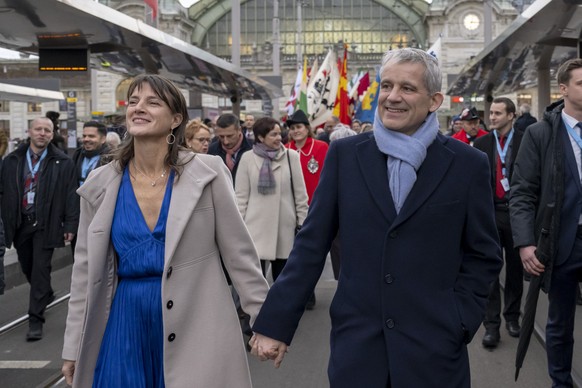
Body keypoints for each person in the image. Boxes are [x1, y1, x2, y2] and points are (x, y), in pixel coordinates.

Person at [250, 48, 502, 387]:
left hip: (434, 351)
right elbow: (311, 245)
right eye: (387, 86)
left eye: (407, 88)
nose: (392, 97)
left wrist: (459, 320)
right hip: (358, 350)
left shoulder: (467, 164)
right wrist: (275, 323)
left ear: (434, 100)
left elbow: (483, 254)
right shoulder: (346, 156)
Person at [61, 74, 268, 387]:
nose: (138, 108)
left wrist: (265, 323)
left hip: (195, 322)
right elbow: (84, 273)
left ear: (176, 119)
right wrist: (73, 346)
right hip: (125, 325)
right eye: (133, 102)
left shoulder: (207, 173)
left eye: (152, 102)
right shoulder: (100, 184)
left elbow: (240, 256)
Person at [509, 58, 582, 387]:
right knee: (559, 323)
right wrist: (526, 243)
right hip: (562, 242)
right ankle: (561, 382)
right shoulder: (540, 134)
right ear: (563, 89)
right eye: (581, 83)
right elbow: (522, 192)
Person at [0, 117, 78, 341]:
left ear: (52, 134)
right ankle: (45, 292)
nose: (42, 133)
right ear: (29, 132)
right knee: (28, 266)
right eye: (38, 129)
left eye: (47, 130)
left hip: (47, 223)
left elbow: (71, 195)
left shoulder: (63, 162)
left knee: (41, 268)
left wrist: (70, 224)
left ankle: (35, 319)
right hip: (20, 223)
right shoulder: (12, 160)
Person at [473, 97, 524, 348]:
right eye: (491, 112)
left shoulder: (526, 140)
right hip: (490, 212)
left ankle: (512, 318)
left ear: (511, 115)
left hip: (517, 214)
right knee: (490, 272)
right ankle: (490, 326)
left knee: (515, 269)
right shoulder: (481, 143)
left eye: (497, 113)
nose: (491, 117)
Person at [235, 117, 308, 281]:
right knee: (254, 281)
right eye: (273, 135)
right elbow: (240, 197)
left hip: (285, 229)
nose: (278, 138)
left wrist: (303, 224)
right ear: (261, 137)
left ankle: (282, 307)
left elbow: (300, 195)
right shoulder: (247, 158)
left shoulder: (291, 156)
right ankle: (255, 308)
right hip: (254, 229)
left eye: (279, 134)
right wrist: (238, 228)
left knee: (284, 281)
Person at [285, 109, 329, 205]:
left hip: (317, 202)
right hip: (292, 203)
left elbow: (328, 175)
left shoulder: (321, 147)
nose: (295, 131)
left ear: (307, 128)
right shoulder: (285, 149)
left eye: (299, 127)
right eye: (292, 128)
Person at [208, 113, 252, 181]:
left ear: (239, 130)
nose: (226, 142)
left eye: (230, 136)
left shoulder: (253, 149)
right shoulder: (211, 151)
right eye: (221, 136)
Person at [72, 121, 112, 187]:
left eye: (91, 136)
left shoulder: (111, 158)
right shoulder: (77, 155)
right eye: (84, 136)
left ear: (103, 139)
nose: (86, 139)